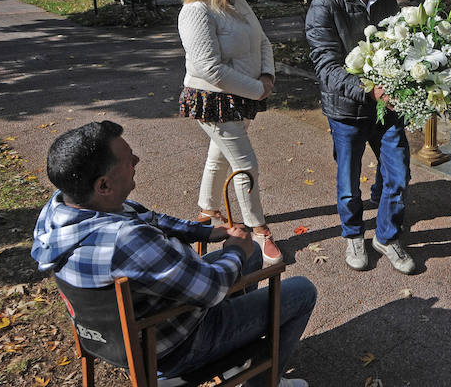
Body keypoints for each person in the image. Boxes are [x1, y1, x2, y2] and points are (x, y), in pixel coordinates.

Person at [31, 121, 315, 387]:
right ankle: (263, 383)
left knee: (250, 257)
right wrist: (235, 251)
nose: (136, 161)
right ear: (103, 185)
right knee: (301, 291)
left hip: (119, 334)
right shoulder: (126, 240)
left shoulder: (60, 209)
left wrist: (206, 233)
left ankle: (237, 358)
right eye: (128, 159)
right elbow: (212, 290)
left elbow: (148, 217)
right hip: (177, 345)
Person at [305, 0, 416, 275]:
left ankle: (386, 235)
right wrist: (370, 90)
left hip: (386, 109)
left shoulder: (386, 2)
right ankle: (354, 234)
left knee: (398, 176)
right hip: (346, 111)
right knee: (348, 183)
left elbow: (399, 51)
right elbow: (327, 67)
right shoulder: (324, 7)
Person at [177, 0, 282, 264]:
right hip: (214, 101)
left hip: (243, 95)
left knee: (219, 156)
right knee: (245, 164)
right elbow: (208, 68)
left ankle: (207, 213)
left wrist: (267, 76)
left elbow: (262, 40)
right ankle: (258, 229)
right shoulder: (196, 11)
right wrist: (256, 90)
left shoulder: (238, 2)